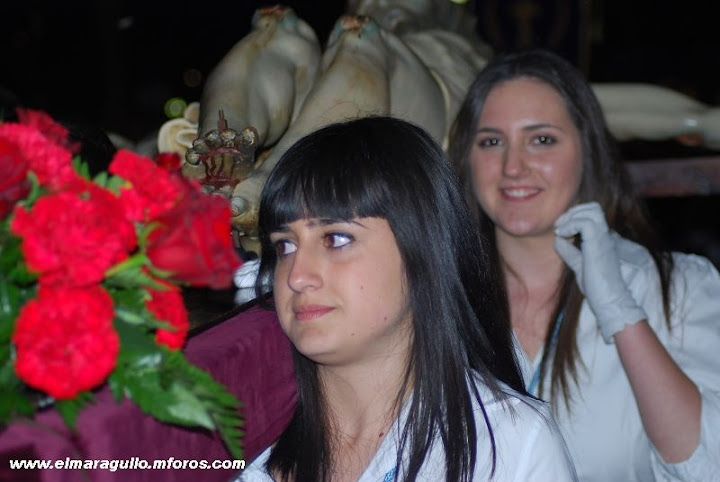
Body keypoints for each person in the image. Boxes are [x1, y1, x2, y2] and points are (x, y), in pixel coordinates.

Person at [233, 116, 576, 481]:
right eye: (285, 246)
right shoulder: (225, 437)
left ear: (423, 251)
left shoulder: (509, 448)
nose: (297, 276)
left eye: (336, 239)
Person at [448, 48, 720, 481]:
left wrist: (622, 315)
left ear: (587, 151)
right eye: (491, 141)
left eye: (542, 140)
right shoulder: (437, 298)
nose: (513, 166)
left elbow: (708, 465)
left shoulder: (677, 287)